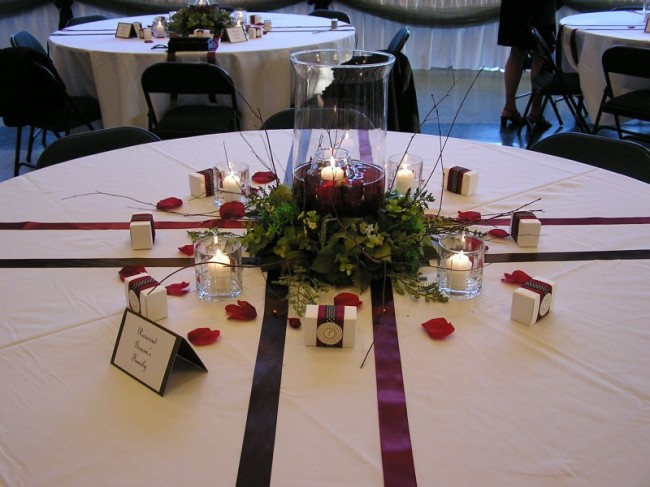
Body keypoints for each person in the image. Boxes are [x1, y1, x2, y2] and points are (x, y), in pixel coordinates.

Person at [498, 0, 557, 130]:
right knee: (540, 56)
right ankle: (535, 112)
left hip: (514, 5)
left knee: (516, 54)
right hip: (540, 6)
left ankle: (509, 107)